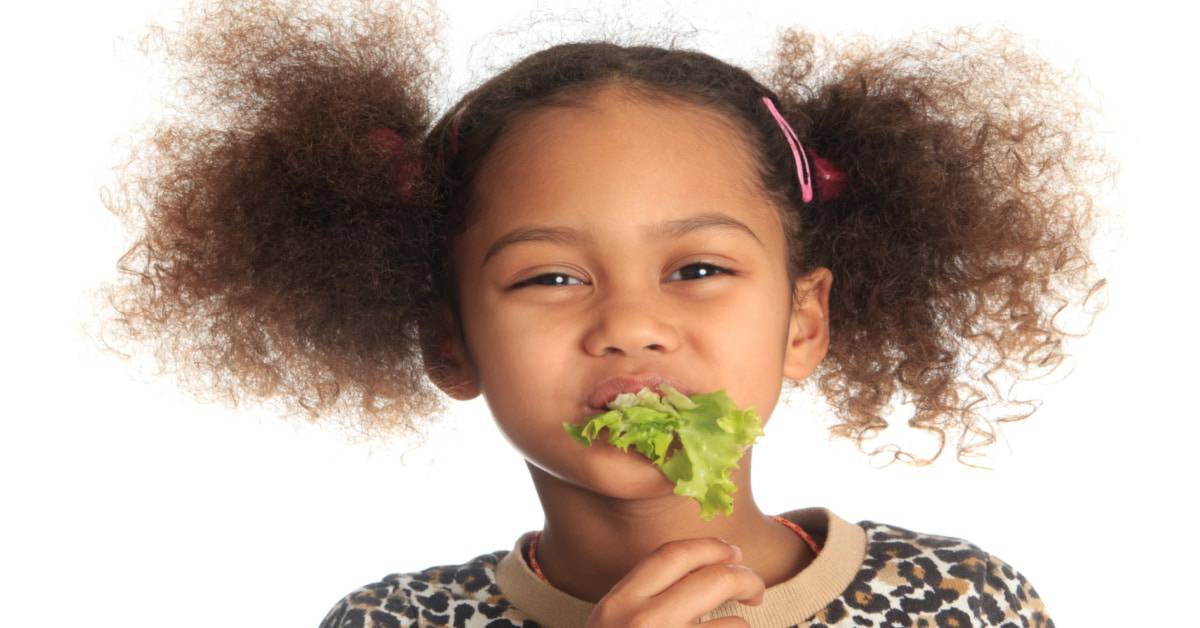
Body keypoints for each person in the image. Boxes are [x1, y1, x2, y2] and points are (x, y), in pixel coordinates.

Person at [95, 0, 1112, 625]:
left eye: (699, 268)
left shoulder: (967, 601)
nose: (630, 324)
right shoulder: (391, 621)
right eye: (549, 277)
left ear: (804, 322)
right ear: (450, 340)